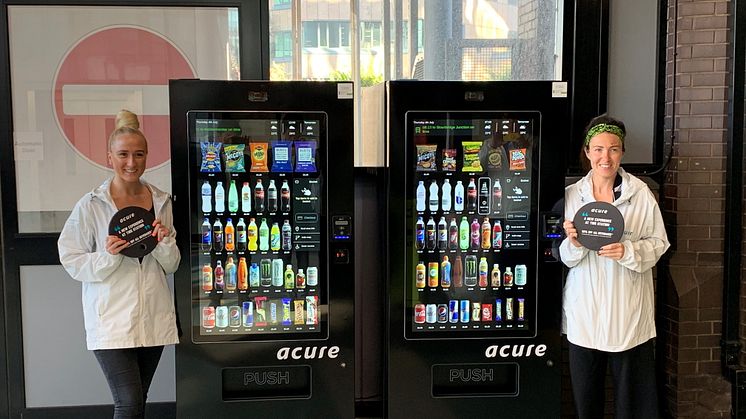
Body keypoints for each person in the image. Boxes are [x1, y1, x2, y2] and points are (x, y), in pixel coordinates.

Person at [58, 110, 180, 419]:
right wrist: (107, 256)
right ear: (109, 157)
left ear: (147, 157)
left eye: (138, 154)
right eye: (123, 154)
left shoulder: (161, 202)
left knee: (138, 399)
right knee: (128, 401)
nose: (131, 162)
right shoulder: (92, 204)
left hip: (152, 315)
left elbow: (171, 265)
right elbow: (70, 258)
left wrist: (164, 242)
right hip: (111, 318)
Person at [560, 115, 670, 419]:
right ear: (586, 152)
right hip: (585, 315)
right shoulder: (571, 196)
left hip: (628, 315)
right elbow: (564, 257)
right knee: (587, 402)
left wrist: (628, 251)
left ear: (621, 153)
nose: (605, 157)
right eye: (597, 149)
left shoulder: (641, 195)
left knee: (633, 404)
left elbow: (659, 243)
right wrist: (575, 244)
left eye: (613, 149)